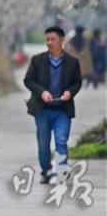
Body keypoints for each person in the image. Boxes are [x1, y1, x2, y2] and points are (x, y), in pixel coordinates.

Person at [23, 26, 81, 184]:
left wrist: (70, 92)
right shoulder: (37, 60)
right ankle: (46, 171)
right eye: (47, 39)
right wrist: (42, 93)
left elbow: (77, 82)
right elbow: (28, 80)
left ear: (62, 40)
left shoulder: (72, 62)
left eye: (53, 39)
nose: (49, 42)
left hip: (62, 109)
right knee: (43, 143)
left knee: (61, 141)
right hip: (43, 110)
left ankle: (61, 172)